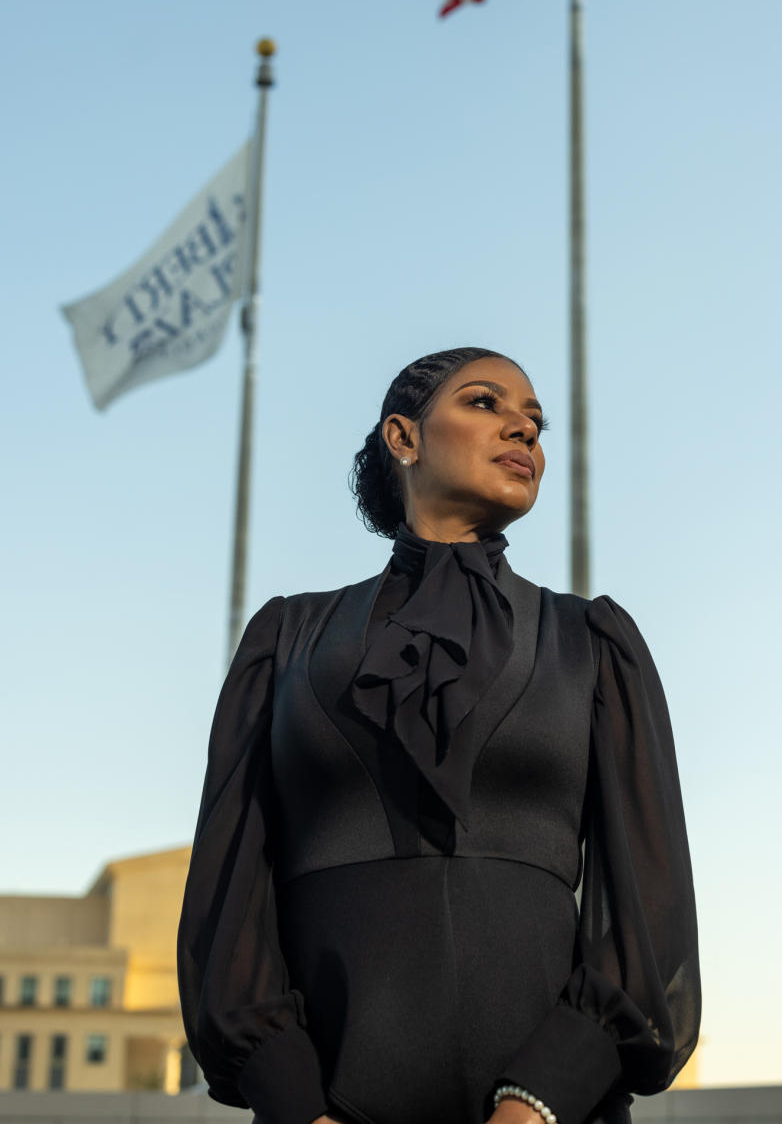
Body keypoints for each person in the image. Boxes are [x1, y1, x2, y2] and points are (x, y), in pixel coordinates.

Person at [177, 346, 700, 1124]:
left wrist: (538, 1101)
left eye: (536, 421)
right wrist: (297, 1103)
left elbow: (649, 909)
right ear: (404, 436)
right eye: (486, 403)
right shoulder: (287, 640)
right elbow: (228, 897)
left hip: (554, 1109)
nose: (523, 427)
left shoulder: (592, 641)